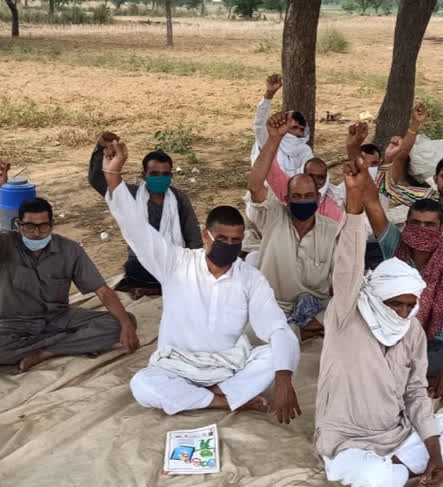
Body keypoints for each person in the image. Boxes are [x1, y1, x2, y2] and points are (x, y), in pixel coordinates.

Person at [314, 147, 443, 487]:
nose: (403, 312)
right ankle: (395, 468)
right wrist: (353, 200)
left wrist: (435, 451)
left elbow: (414, 394)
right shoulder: (347, 312)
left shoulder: (411, 328)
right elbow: (348, 264)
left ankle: (405, 463)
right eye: (396, 303)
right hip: (346, 439)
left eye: (412, 305)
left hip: (395, 434)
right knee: (376, 484)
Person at [102, 141, 301, 420]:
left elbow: (276, 327)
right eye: (222, 239)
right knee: (142, 385)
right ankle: (226, 400)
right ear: (206, 237)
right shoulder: (176, 263)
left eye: (236, 240)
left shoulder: (250, 278)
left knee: (276, 355)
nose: (229, 246)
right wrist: (113, 176)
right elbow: (136, 230)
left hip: (228, 364)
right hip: (176, 364)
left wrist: (282, 377)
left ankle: (216, 392)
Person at [348, 123, 443, 398]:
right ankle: (406, 377)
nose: (421, 230)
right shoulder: (395, 243)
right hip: (385, 330)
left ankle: (396, 375)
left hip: (429, 341)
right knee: (354, 345)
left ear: (441, 229)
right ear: (404, 224)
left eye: (430, 225)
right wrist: (353, 150)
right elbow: (370, 199)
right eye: (415, 223)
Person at [0, 162, 139, 373]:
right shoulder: (7, 244)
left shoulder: (68, 249)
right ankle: (69, 343)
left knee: (124, 321)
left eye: (43, 226)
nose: (36, 232)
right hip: (15, 323)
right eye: (30, 227)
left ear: (51, 225)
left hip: (59, 318)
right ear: (18, 226)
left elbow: (103, 290)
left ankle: (45, 353)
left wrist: (125, 324)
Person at [247, 112, 339, 341]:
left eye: (309, 195)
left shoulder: (331, 229)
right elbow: (255, 184)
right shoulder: (274, 215)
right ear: (286, 199)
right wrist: (274, 139)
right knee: (249, 336)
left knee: (345, 312)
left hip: (314, 310)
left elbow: (339, 283)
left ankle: (301, 331)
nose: (303, 200)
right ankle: (299, 333)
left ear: (318, 199)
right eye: (296, 196)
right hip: (272, 306)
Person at [377, 104, 443, 288]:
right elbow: (386, 188)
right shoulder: (425, 197)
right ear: (436, 178)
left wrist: (439, 269)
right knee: (375, 253)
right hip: (414, 266)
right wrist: (388, 160)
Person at [89, 132, 202, 296]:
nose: (160, 178)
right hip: (142, 261)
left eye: (165, 175)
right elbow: (97, 180)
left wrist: (196, 266)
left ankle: (157, 286)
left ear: (171, 176)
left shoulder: (178, 198)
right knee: (135, 268)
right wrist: (100, 149)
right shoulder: (131, 195)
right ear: (144, 176)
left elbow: (192, 233)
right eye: (154, 174)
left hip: (174, 259)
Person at [250, 74, 313, 176]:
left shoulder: (305, 151)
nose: (297, 132)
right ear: (282, 126)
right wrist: (269, 95)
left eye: (301, 129)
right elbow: (259, 124)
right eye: (294, 128)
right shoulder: (269, 142)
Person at [264, 155, 344, 223]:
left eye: (320, 177)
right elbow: (270, 167)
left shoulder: (331, 208)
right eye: (311, 176)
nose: (315, 181)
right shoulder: (289, 187)